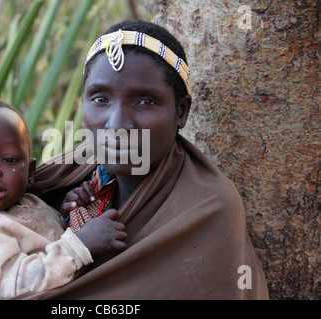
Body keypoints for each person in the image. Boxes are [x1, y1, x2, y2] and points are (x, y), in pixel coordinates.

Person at [24, 20, 269, 299]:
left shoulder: (208, 208)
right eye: (100, 98)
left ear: (182, 112)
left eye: (145, 102)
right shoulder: (58, 181)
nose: (116, 124)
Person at [0, 99, 127, 299]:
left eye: (8, 160)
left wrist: (68, 212)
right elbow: (19, 286)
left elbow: (49, 239)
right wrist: (80, 245)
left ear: (31, 172)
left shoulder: (32, 203)